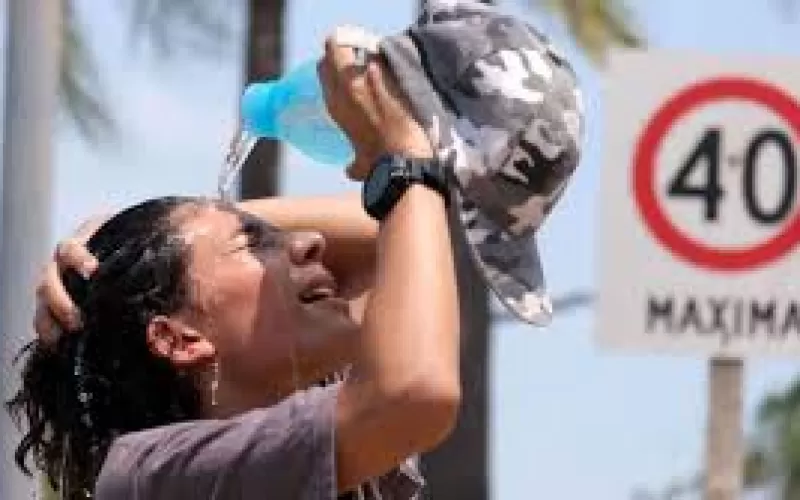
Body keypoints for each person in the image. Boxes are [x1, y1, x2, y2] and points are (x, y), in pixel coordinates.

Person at [8, 38, 460, 499]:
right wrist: (405, 156)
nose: (311, 242)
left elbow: (396, 231)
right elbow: (415, 391)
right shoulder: (148, 475)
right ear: (178, 339)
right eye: (253, 245)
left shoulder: (316, 431)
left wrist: (151, 226)